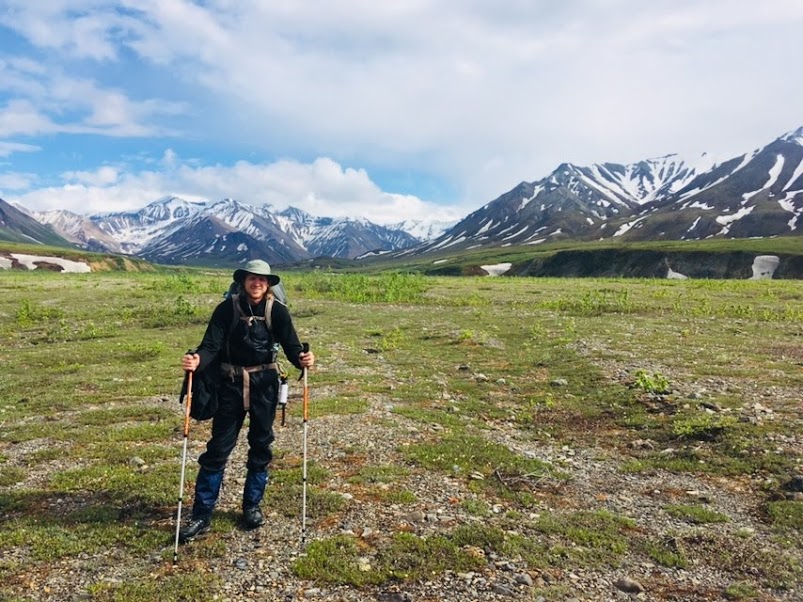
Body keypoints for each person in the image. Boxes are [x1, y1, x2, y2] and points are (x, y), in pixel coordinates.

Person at [178, 259, 314, 542]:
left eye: (263, 280)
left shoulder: (277, 311)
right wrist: (197, 360)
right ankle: (202, 514)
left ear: (269, 285)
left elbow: (292, 347)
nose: (257, 283)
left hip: (265, 386)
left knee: (261, 445)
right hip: (229, 386)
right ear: (243, 281)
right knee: (218, 449)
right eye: (253, 278)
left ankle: (252, 505)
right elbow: (211, 346)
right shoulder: (226, 309)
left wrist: (303, 359)